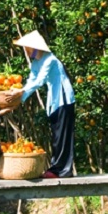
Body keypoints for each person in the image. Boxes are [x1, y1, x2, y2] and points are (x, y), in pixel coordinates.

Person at [12, 30, 75, 178]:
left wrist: (19, 94)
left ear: (34, 47)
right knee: (56, 135)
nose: (25, 51)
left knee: (63, 135)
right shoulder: (36, 62)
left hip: (63, 98)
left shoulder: (50, 60)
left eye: (27, 48)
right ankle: (56, 168)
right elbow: (31, 80)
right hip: (54, 100)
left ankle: (63, 170)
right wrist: (19, 98)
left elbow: (39, 81)